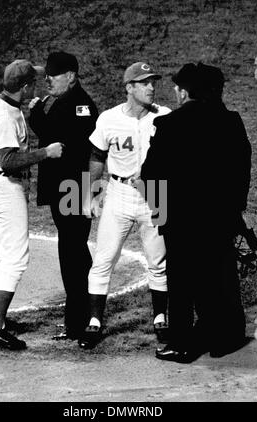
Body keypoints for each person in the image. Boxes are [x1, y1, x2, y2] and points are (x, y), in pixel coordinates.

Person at [141, 62, 252, 363]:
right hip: (221, 219)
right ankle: (224, 339)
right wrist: (234, 211)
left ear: (186, 91)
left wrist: (161, 214)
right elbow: (243, 170)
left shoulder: (170, 125)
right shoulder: (231, 121)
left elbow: (150, 175)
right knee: (220, 276)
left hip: (181, 221)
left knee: (182, 284)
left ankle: (181, 344)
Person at [78, 62, 171, 349]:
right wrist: (88, 195)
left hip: (156, 192)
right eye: (144, 83)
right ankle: (94, 322)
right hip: (118, 193)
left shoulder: (165, 116)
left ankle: (160, 318)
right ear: (129, 87)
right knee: (104, 259)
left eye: (152, 82)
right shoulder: (108, 119)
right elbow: (96, 156)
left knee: (158, 262)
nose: (151, 87)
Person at [0, 59, 64, 350]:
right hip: (7, 186)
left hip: (0, 183)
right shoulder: (4, 116)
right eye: (34, 82)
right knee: (16, 257)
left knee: (1, 253)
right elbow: (8, 160)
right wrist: (46, 153)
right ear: (25, 86)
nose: (38, 84)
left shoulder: (2, 105)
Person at [28, 51, 99, 341]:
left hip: (73, 188)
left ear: (70, 76)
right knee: (72, 251)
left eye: (53, 75)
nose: (48, 80)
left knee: (73, 253)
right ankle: (78, 317)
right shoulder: (64, 102)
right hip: (67, 188)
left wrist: (35, 115)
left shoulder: (81, 105)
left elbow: (58, 141)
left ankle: (79, 319)